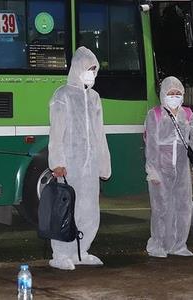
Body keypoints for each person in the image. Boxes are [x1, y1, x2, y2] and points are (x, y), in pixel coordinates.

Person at [48, 46, 111, 270]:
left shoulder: (94, 98)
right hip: (69, 165)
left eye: (94, 70)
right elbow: (56, 132)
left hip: (90, 164)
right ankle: (61, 254)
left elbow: (99, 133)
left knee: (89, 208)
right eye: (88, 69)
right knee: (66, 209)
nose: (91, 74)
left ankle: (81, 251)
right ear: (77, 69)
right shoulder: (62, 95)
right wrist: (57, 163)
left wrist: (103, 163)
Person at [145, 76, 193, 258]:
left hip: (181, 168)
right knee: (160, 207)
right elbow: (151, 144)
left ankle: (178, 245)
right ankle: (157, 244)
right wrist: (152, 169)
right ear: (163, 94)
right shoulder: (155, 114)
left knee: (183, 206)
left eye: (177, 93)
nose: (174, 96)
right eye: (170, 93)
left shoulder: (188, 115)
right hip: (160, 167)